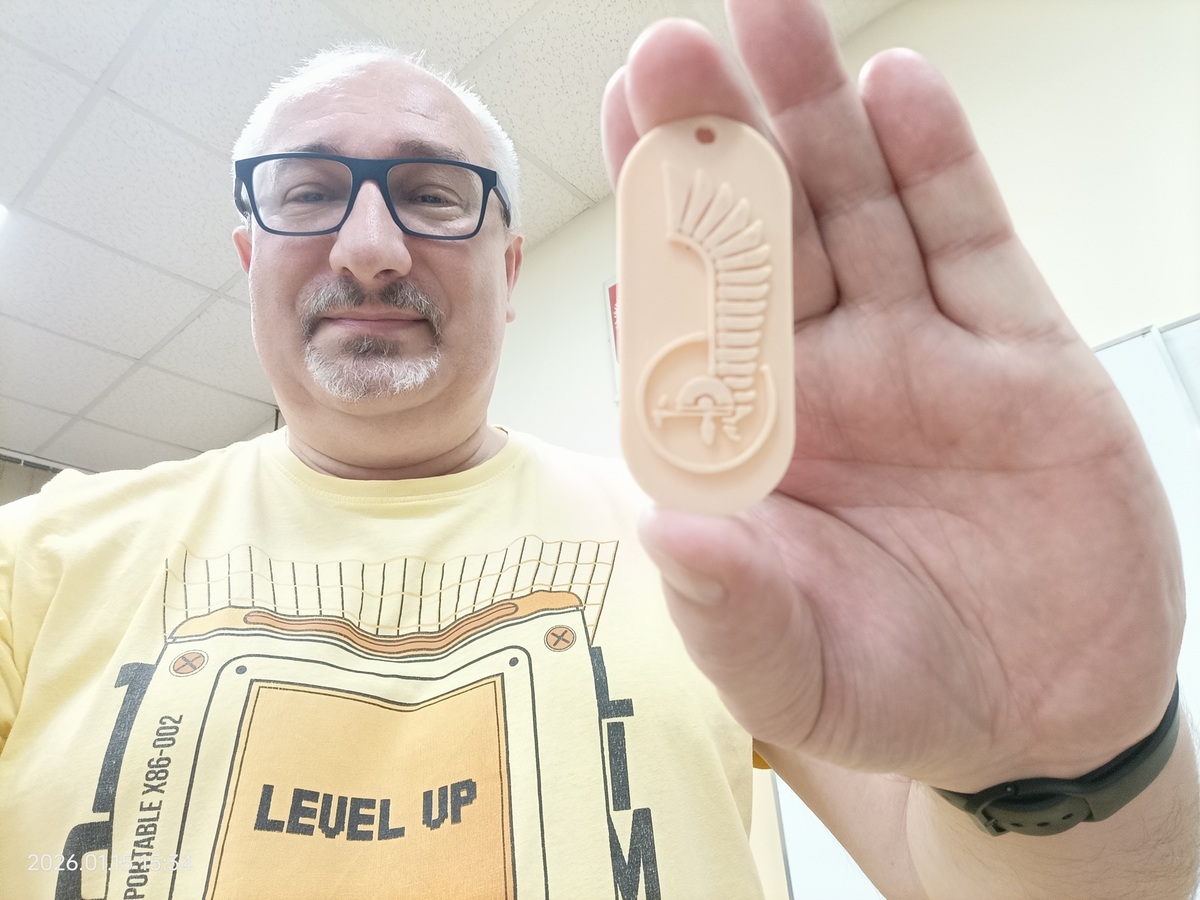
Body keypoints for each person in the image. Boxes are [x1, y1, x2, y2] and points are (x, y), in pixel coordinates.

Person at [1, 0, 1195, 896]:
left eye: (433, 192)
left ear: (510, 267)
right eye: (308, 192)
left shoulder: (717, 557)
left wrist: (1063, 759)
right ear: (248, 254)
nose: (370, 245)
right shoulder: (37, 560)